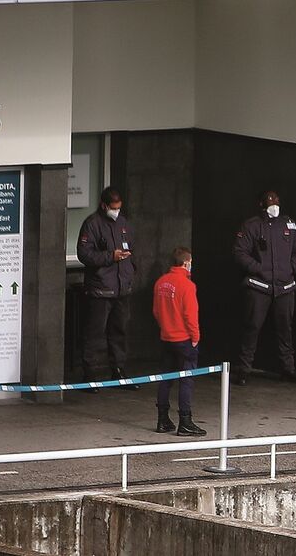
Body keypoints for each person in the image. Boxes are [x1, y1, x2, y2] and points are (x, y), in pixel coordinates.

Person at [232, 190, 296, 385]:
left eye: (276, 200)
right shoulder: (252, 226)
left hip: (285, 287)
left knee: (285, 330)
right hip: (259, 286)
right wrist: (258, 268)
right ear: (261, 204)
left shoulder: (289, 225)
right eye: (269, 201)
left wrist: (291, 268)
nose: (274, 204)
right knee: (252, 328)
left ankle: (288, 369)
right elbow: (240, 252)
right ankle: (243, 369)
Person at [76, 186, 140, 390]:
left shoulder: (123, 224)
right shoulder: (92, 224)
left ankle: (119, 370)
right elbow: (84, 254)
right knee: (95, 333)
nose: (117, 211)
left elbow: (133, 250)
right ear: (104, 205)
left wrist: (130, 271)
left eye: (119, 207)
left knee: (119, 331)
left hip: (122, 288)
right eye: (113, 207)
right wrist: (109, 257)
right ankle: (90, 374)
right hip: (100, 289)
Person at [152, 247, 206, 436]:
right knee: (186, 381)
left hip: (166, 338)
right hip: (184, 340)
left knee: (165, 380)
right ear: (186, 263)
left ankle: (162, 420)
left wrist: (165, 327)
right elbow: (191, 316)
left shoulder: (161, 282)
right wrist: (196, 337)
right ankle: (185, 421)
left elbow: (157, 312)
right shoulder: (187, 285)